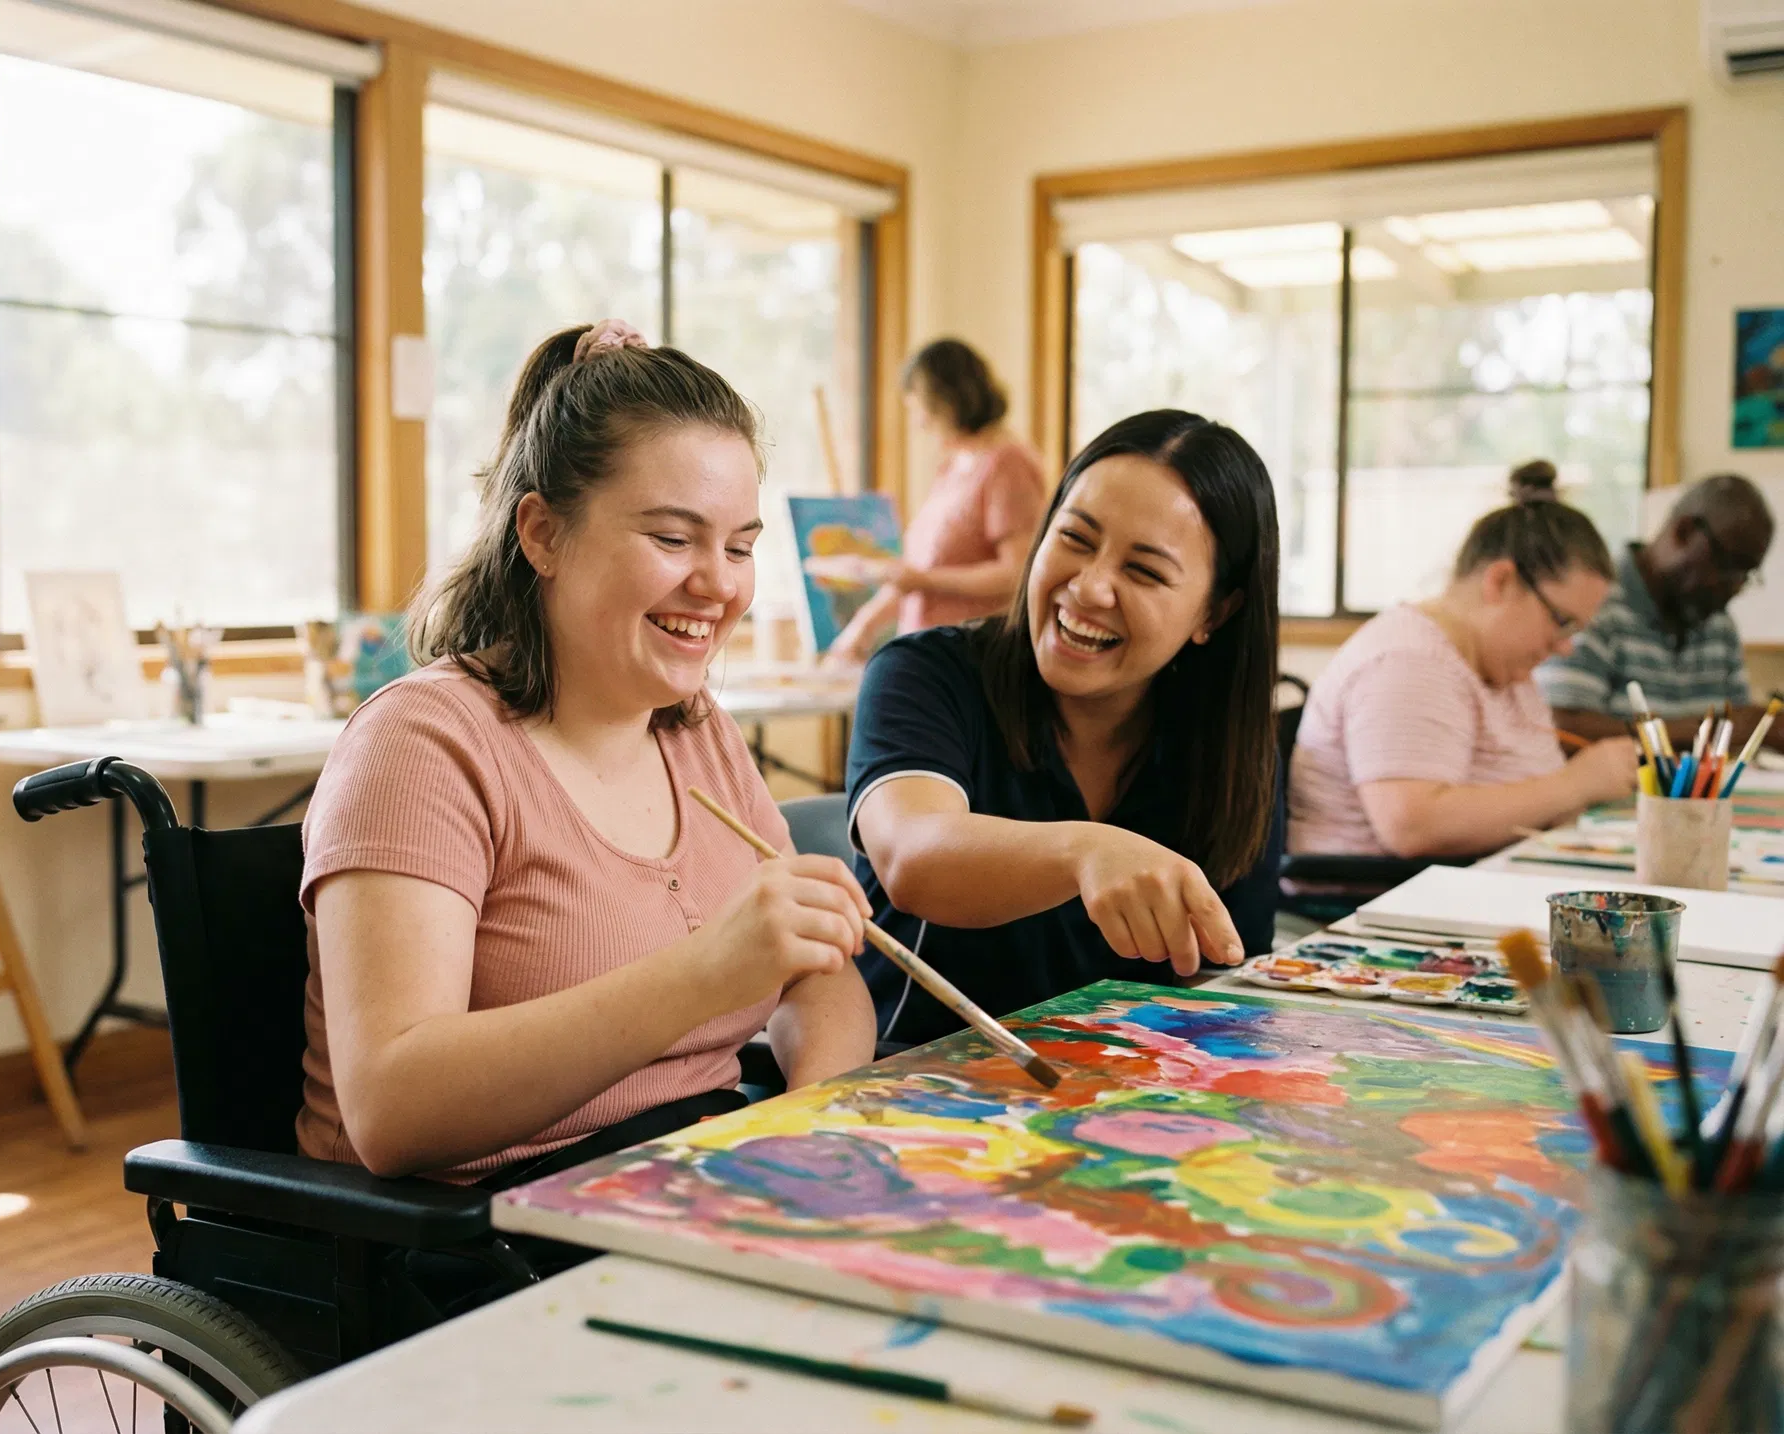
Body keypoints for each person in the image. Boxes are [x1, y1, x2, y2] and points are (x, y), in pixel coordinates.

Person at [297, 321, 876, 1188]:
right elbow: (391, 1108)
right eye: (674, 540)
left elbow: (815, 981)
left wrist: (812, 1130)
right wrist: (703, 974)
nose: (718, 583)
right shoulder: (422, 745)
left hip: (707, 1185)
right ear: (543, 535)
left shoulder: (695, 728)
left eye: (741, 546)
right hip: (485, 1248)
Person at [846, 409, 1278, 1046]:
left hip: (1130, 1104)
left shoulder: (1229, 745)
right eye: (1075, 538)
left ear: (1214, 611)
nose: (1090, 586)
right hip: (915, 1090)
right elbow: (911, 856)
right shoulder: (926, 673)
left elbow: (1225, 985)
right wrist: (1087, 852)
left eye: (1145, 571)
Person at [1289, 500, 1640, 860]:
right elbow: (1412, 827)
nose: (1565, 647)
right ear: (1500, 581)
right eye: (1562, 621)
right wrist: (1577, 783)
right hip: (1385, 897)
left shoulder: (1499, 666)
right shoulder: (1410, 663)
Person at [826, 339, 1046, 662]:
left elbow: (1016, 573)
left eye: (918, 407)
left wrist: (922, 580)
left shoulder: (1007, 464)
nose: (918, 422)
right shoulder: (952, 465)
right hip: (926, 653)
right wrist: (863, 627)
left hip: (975, 658)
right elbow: (917, 575)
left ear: (946, 400)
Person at [1541, 473, 1780, 751]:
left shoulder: (1719, 626)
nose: (1736, 588)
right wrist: (1698, 731)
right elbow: (1560, 727)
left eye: (1747, 574)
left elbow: (1735, 734)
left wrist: (1758, 729)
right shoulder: (1595, 603)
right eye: (1731, 566)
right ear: (1684, 532)